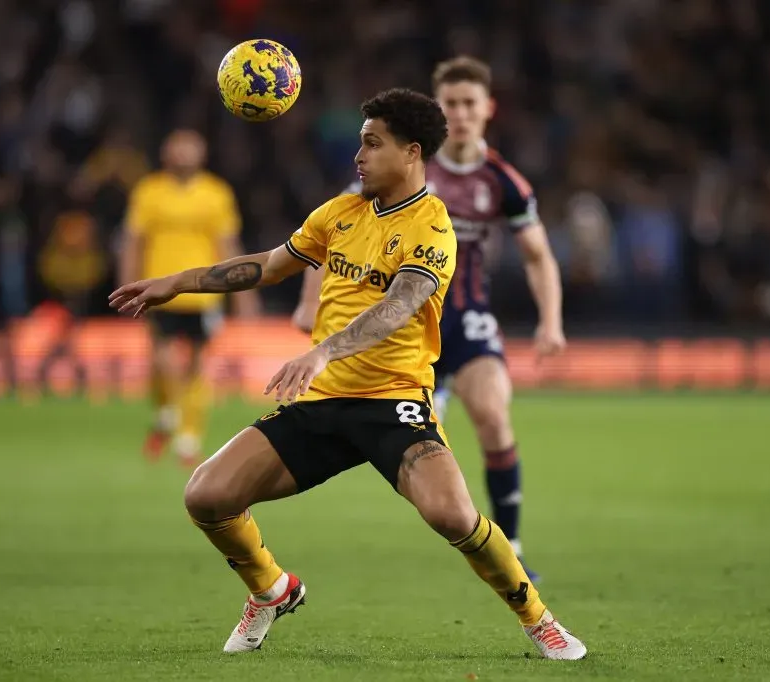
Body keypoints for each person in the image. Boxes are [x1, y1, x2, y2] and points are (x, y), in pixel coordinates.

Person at [110, 88, 586, 660]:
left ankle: (539, 619)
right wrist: (179, 281)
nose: (357, 155)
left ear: (411, 152)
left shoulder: (433, 224)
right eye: (359, 143)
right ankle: (271, 590)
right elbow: (268, 265)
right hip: (322, 404)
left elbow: (399, 306)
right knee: (206, 495)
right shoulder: (338, 213)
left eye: (371, 143)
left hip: (392, 403)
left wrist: (321, 352)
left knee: (452, 515)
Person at [293, 57, 566, 582]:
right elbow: (333, 231)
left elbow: (537, 255)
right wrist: (310, 302)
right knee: (415, 447)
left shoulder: (503, 182)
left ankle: (511, 542)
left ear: (488, 110)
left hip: (467, 320)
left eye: (470, 104)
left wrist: (550, 321)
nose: (461, 114)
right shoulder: (405, 166)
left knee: (492, 416)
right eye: (451, 104)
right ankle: (457, 527)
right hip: (405, 330)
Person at [120, 129, 259, 466]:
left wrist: (242, 293)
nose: (184, 153)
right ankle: (168, 411)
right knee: (162, 361)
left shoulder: (216, 193)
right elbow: (134, 240)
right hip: (160, 287)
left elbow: (227, 243)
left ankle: (187, 437)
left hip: (203, 292)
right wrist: (128, 279)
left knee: (197, 365)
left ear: (203, 153)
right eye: (177, 147)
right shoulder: (149, 191)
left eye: (190, 147)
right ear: (166, 152)